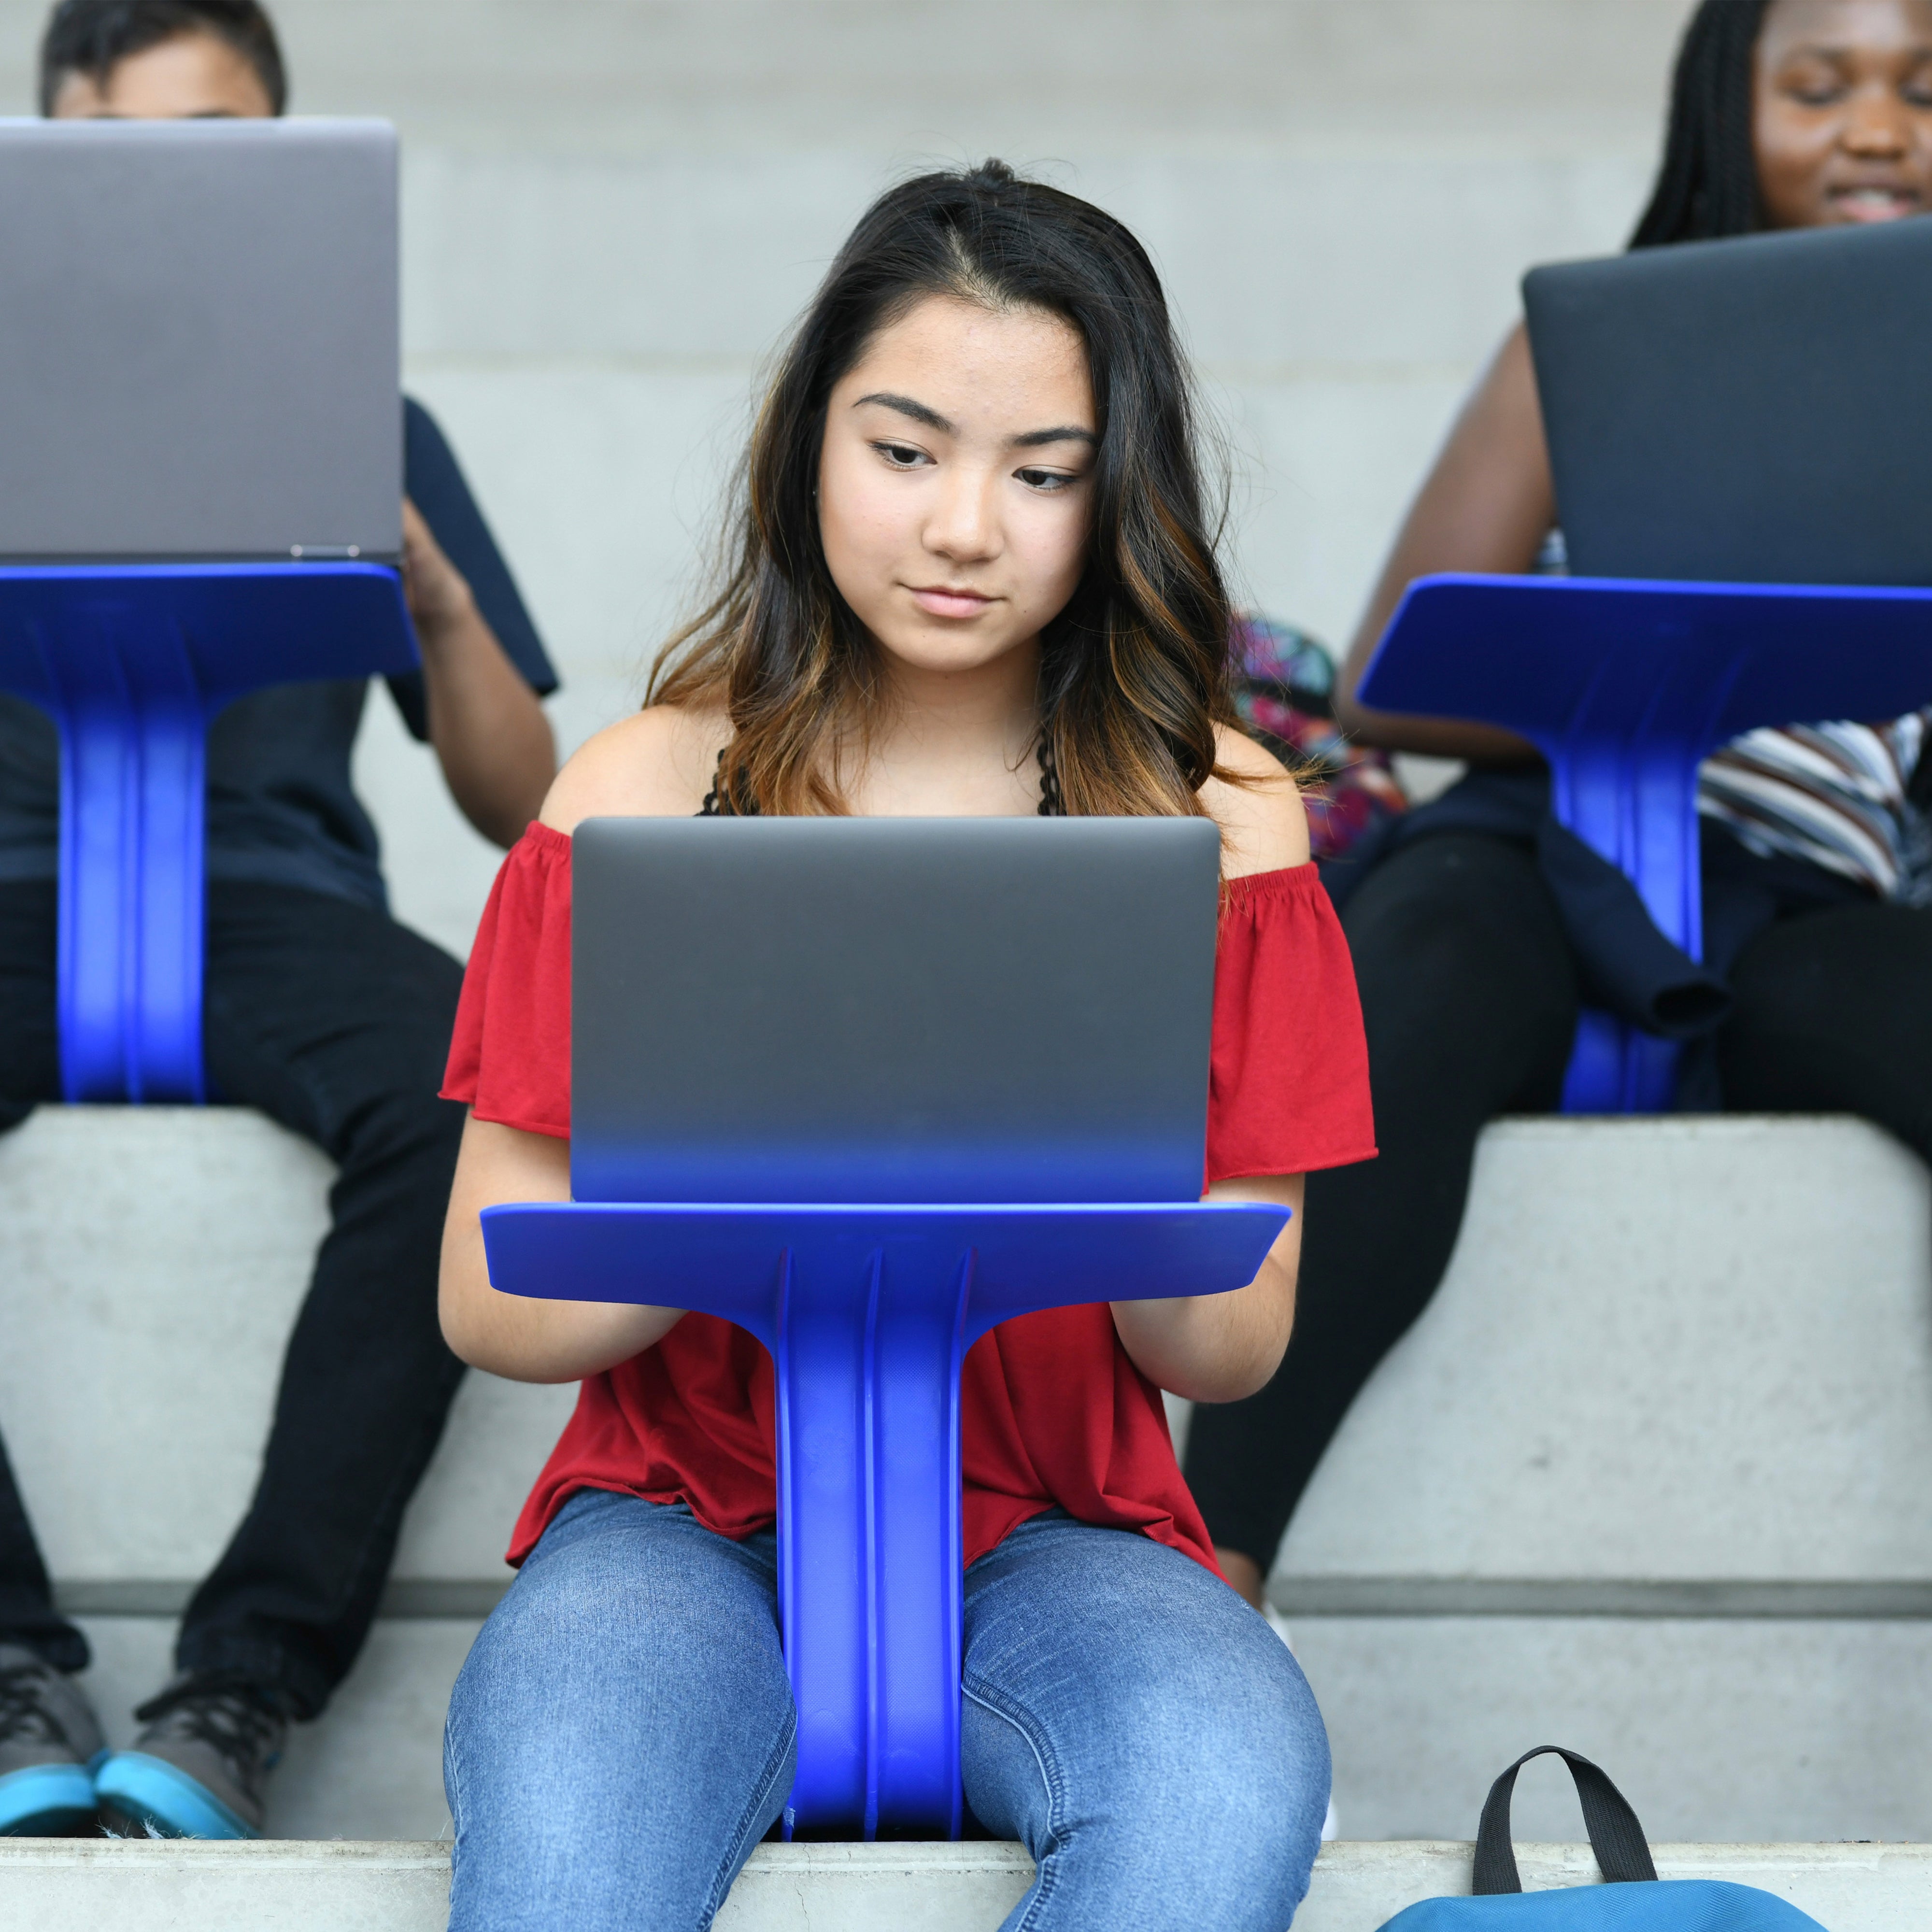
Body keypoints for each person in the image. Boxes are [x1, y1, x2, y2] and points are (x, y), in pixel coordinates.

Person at [435, 162, 1374, 1931]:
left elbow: (1233, 1342)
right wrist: (749, 1175)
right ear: (810, 447)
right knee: (566, 1860)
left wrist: (1079, 1155)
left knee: (1215, 1783)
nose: (964, 529)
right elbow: (490, 1304)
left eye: (1043, 477)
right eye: (906, 450)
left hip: (1052, 1531)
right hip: (680, 1524)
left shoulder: (1220, 823)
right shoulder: (640, 793)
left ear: (1121, 500)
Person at [1183, 0, 1932, 1612]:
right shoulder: (1596, 346)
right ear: (1723, 112)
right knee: (1423, 976)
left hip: (1812, 905)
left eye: (1924, 92)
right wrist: (1689, 675)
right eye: (1819, 87)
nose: (1878, 127)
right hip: (1546, 842)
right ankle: (1209, 1561)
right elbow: (1391, 665)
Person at [0, 0, 559, 1839]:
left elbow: (517, 799)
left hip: (275, 898)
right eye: (125, 159)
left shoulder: (366, 412)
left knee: (478, 1093)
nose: (178, 196)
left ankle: (245, 1683)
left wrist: (445, 605)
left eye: (225, 148)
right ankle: (4, 1671)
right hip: (10, 890)